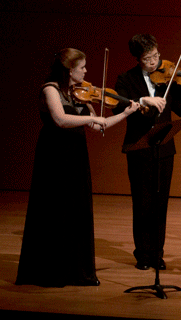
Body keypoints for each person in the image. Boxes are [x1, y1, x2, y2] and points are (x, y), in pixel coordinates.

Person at [16, 49, 140, 287]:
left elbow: (98, 128)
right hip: (54, 155)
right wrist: (92, 119)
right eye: (82, 68)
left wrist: (125, 113)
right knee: (55, 210)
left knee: (76, 210)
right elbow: (61, 119)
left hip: (75, 155)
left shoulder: (81, 94)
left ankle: (76, 271)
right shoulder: (49, 89)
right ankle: (51, 271)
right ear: (69, 70)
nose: (85, 71)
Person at [114, 34, 181, 271]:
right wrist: (142, 100)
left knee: (160, 204)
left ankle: (157, 253)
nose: (155, 62)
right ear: (138, 59)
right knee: (142, 203)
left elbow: (179, 109)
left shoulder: (169, 77)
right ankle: (143, 255)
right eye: (149, 59)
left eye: (156, 56)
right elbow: (118, 104)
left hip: (164, 148)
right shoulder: (126, 79)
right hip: (138, 149)